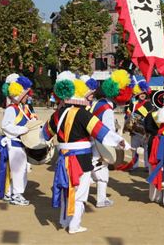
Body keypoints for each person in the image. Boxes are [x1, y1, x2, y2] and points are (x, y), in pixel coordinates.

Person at [43, 71, 127, 234]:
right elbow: (102, 132)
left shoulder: (57, 114)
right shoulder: (83, 114)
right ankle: (75, 225)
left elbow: (44, 135)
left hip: (63, 157)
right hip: (81, 158)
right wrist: (120, 142)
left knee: (67, 189)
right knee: (80, 192)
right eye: (88, 96)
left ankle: (65, 221)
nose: (90, 99)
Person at [85, 71, 131, 208]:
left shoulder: (97, 103)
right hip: (100, 143)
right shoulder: (107, 109)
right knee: (101, 170)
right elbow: (108, 131)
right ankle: (100, 199)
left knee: (90, 169)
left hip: (91, 141)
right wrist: (120, 142)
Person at [0, 74, 34, 206]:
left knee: (21, 170)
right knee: (19, 171)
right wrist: (21, 130)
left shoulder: (22, 108)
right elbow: (5, 126)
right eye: (26, 95)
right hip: (15, 144)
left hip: (21, 144)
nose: (28, 97)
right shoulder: (11, 109)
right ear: (20, 95)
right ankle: (17, 195)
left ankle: (10, 192)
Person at [122, 78, 153, 171]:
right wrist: (128, 117)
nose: (142, 95)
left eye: (144, 94)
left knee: (146, 149)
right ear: (138, 94)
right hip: (135, 130)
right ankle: (134, 165)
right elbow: (127, 114)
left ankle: (147, 165)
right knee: (134, 148)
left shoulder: (149, 105)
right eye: (141, 94)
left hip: (145, 130)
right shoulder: (133, 103)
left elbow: (151, 116)